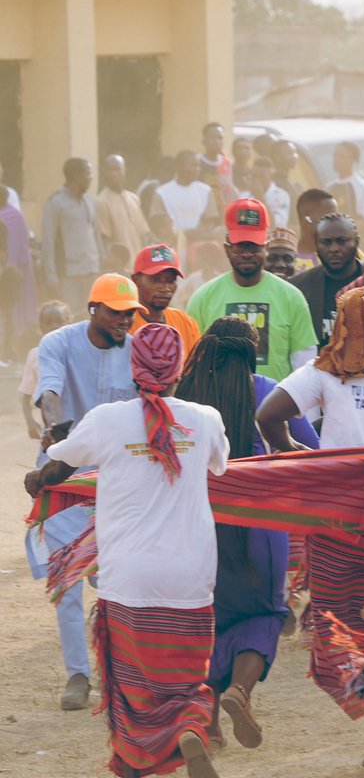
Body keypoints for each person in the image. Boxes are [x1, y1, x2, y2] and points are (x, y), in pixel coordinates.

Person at [26, 323, 229, 778]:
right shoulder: (206, 419)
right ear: (180, 369)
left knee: (133, 686)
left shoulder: (106, 419)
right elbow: (220, 466)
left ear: (133, 368)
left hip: (128, 576)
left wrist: (37, 481)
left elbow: (58, 466)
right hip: (191, 574)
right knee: (185, 676)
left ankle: (139, 761)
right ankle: (189, 724)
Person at [256, 288, 364, 774]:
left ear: (341, 325)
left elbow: (268, 414)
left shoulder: (327, 368)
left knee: (345, 633)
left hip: (339, 529)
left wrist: (297, 456)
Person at [175, 316, 318, 753]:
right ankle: (240, 689)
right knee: (266, 613)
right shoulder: (267, 392)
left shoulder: (184, 397)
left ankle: (209, 725)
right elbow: (311, 452)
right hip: (260, 529)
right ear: (250, 355)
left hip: (197, 529)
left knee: (208, 621)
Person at [30, 274, 145, 711]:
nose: (124, 320)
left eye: (129, 313)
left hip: (117, 482)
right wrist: (55, 431)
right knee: (68, 578)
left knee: (113, 578)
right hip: (63, 476)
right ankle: (77, 675)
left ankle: (119, 673)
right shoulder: (58, 342)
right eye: (115, 312)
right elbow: (50, 391)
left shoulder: (137, 348)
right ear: (92, 308)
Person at [186, 199, 317, 381]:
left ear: (266, 247)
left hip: (275, 398)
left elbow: (304, 364)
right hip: (218, 398)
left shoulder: (292, 297)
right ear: (227, 249)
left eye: (254, 246)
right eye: (240, 246)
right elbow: (192, 362)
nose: (247, 253)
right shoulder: (202, 298)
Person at [289, 213, 364, 348]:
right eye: (326, 242)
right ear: (316, 244)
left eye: (342, 241)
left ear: (356, 242)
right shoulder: (298, 287)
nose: (334, 249)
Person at [41, 157, 106, 312]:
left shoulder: (88, 200)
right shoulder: (55, 203)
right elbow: (48, 243)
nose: (91, 178)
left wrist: (101, 263)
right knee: (71, 316)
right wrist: (51, 277)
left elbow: (95, 234)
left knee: (92, 315)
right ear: (76, 175)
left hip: (91, 270)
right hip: (68, 275)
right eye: (88, 174)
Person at [129, 244, 202, 356]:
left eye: (171, 280)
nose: (165, 288)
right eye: (155, 279)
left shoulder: (186, 323)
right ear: (136, 280)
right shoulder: (123, 323)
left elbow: (198, 364)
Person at [19, 301, 71, 440]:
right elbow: (25, 395)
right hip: (49, 427)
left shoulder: (77, 352)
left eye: (59, 321)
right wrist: (30, 422)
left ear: (68, 323)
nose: (54, 326)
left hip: (76, 424)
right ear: (41, 326)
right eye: (48, 322)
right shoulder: (35, 355)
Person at [152, 150, 221, 242]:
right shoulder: (161, 193)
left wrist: (195, 235)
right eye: (193, 166)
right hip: (172, 243)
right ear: (178, 167)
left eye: (198, 166)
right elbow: (158, 225)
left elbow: (209, 222)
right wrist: (182, 236)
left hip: (199, 244)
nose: (197, 169)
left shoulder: (205, 191)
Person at [0, 175, 37, 345]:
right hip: (11, 272)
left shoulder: (10, 218)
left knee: (7, 314)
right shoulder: (14, 216)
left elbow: (16, 248)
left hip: (8, 275)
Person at [96, 155, 151, 254]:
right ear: (105, 173)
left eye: (117, 169)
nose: (113, 174)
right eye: (109, 170)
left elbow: (144, 234)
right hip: (119, 263)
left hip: (138, 261)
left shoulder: (134, 199)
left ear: (124, 171)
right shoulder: (101, 201)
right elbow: (103, 239)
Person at [326, 141, 364, 219]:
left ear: (352, 159)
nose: (336, 159)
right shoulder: (329, 187)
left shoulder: (362, 186)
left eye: (341, 156)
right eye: (335, 155)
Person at [199, 121, 238, 209]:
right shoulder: (197, 162)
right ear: (204, 141)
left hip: (223, 210)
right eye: (212, 137)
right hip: (204, 209)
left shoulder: (227, 163)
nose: (217, 141)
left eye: (220, 138)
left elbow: (230, 189)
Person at [174, 241, 225, 310]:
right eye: (205, 258)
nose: (208, 263)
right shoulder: (193, 279)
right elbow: (180, 298)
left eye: (210, 259)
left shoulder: (221, 280)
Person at [247, 157, 290, 230]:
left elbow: (274, 225)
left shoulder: (282, 196)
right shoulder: (244, 196)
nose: (257, 180)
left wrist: (259, 197)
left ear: (271, 175)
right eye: (254, 176)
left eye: (261, 176)